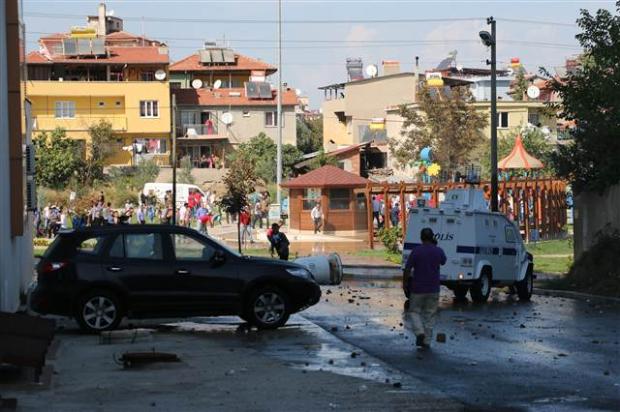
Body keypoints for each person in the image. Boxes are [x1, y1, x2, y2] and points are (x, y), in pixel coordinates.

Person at [403, 228, 447, 349]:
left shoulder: (416, 251)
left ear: (421, 238)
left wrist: (405, 283)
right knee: (430, 314)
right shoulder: (438, 251)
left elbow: (407, 269)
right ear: (432, 237)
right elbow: (443, 261)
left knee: (414, 311)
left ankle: (419, 332)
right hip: (433, 288)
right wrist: (435, 245)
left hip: (418, 288)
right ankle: (427, 341)